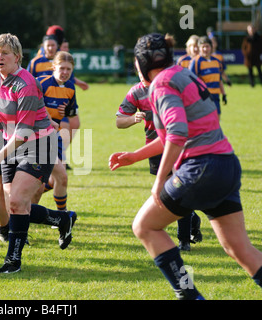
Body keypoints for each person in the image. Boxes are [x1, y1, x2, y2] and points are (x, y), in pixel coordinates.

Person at [109, 32, 262, 300]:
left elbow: (177, 134)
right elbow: (172, 134)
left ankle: (190, 296)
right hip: (225, 165)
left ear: (141, 63)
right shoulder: (181, 74)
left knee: (144, 226)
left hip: (200, 168)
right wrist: (135, 155)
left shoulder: (161, 84)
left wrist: (159, 182)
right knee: (240, 249)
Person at [0, 33, 77, 273]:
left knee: (15, 201)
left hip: (38, 144)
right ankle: (62, 219)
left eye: (5, 53)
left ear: (17, 57)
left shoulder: (26, 83)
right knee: (16, 205)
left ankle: (13, 261)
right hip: (9, 143)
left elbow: (23, 132)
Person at [116, 62, 202, 251]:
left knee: (180, 189)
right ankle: (193, 218)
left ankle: (184, 240)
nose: (143, 75)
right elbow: (119, 121)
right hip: (153, 147)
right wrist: (132, 119)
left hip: (178, 143)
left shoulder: (169, 88)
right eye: (140, 71)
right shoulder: (136, 92)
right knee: (167, 194)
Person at [35, 51, 79, 211]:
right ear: (53, 67)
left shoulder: (70, 87)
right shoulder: (41, 83)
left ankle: (60, 216)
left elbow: (71, 112)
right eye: (62, 68)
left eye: (69, 69)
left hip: (55, 137)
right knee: (41, 183)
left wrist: (64, 112)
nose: (65, 72)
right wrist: (49, 114)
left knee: (59, 179)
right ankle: (24, 214)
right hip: (35, 138)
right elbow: (30, 108)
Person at [189, 36, 226, 118]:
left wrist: (224, 94)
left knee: (217, 119)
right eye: (203, 47)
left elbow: (219, 79)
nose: (205, 49)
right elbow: (190, 81)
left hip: (216, 96)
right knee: (205, 121)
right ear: (199, 48)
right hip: (203, 98)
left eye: (207, 46)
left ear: (211, 47)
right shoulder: (196, 62)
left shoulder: (216, 61)